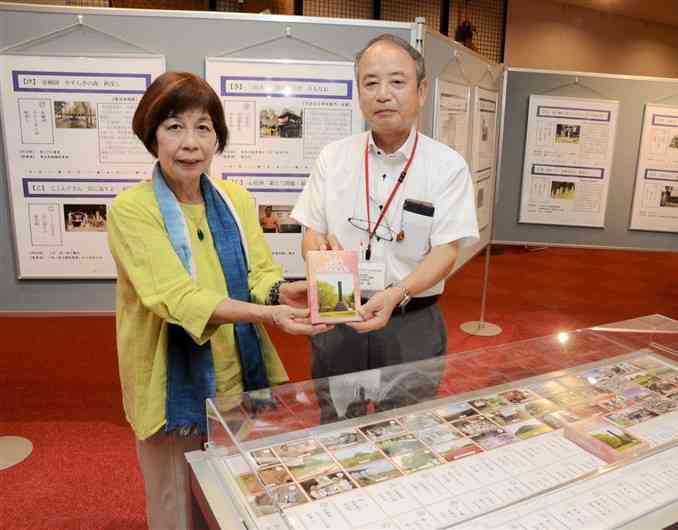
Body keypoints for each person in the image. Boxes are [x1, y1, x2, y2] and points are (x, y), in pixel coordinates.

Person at [107, 71, 328, 530]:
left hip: (237, 377)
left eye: (203, 127)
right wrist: (269, 313)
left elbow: (258, 274)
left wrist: (281, 291)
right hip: (173, 385)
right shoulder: (131, 209)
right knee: (175, 503)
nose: (191, 143)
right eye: (174, 127)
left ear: (218, 137)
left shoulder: (236, 199)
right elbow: (175, 298)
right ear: (152, 137)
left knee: (237, 491)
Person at [291, 35, 479, 393]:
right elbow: (311, 232)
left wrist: (396, 293)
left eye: (396, 81)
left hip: (411, 316)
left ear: (421, 91)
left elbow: (446, 251)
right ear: (358, 92)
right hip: (339, 310)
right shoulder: (333, 157)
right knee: (337, 422)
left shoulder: (447, 166)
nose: (382, 94)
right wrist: (316, 249)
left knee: (407, 429)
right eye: (370, 82)